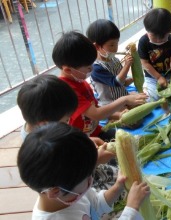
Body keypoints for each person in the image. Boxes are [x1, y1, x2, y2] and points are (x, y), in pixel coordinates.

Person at [17, 122, 150, 220]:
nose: (91, 179)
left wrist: (117, 187)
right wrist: (132, 207)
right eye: (87, 177)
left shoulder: (71, 193)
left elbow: (96, 205)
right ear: (55, 191)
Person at [53, 31, 147, 141]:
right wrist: (125, 99)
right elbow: (97, 114)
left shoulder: (80, 81)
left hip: (96, 130)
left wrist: (120, 116)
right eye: (88, 68)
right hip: (81, 139)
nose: (92, 70)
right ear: (68, 70)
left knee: (131, 140)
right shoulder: (67, 90)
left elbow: (96, 108)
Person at [86, 19, 138, 120]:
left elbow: (123, 82)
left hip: (123, 97)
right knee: (135, 120)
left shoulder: (113, 59)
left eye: (117, 43)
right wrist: (127, 65)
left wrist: (134, 78)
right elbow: (117, 82)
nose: (115, 48)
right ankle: (109, 116)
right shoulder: (96, 68)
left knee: (144, 102)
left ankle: (124, 109)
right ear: (97, 46)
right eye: (111, 45)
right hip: (110, 104)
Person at [138, 8, 171, 102]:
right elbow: (145, 63)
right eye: (153, 36)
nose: (158, 40)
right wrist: (158, 77)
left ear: (169, 31)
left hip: (169, 75)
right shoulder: (143, 41)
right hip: (152, 77)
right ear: (147, 30)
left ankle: (170, 91)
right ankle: (147, 87)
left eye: (162, 37)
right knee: (150, 100)